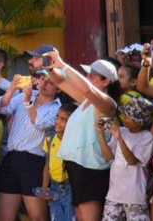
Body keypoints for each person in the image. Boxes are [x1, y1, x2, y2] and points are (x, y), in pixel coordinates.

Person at [47, 53, 119, 221]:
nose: (87, 78)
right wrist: (51, 68)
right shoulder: (86, 100)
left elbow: (88, 89)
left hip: (91, 169)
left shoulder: (108, 103)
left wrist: (63, 65)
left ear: (106, 81)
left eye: (92, 76)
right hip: (77, 167)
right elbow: (60, 82)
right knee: (80, 216)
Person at [0, 70, 61, 221]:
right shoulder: (25, 95)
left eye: (50, 82)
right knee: (4, 217)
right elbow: (1, 108)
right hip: (12, 158)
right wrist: (12, 88)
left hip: (34, 162)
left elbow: (40, 123)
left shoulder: (57, 107)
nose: (44, 83)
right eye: (42, 78)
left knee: (37, 217)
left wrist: (27, 102)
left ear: (59, 88)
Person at [98, 96, 153, 221]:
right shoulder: (122, 131)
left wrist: (119, 138)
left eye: (128, 116)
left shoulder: (147, 137)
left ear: (139, 121)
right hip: (113, 196)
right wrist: (100, 134)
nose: (124, 117)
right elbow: (108, 157)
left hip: (135, 198)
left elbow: (132, 161)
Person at [40, 102, 75, 221]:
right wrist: (45, 188)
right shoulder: (50, 138)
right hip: (54, 187)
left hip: (70, 186)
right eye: (57, 117)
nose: (57, 121)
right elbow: (47, 165)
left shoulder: (74, 141)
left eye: (63, 120)